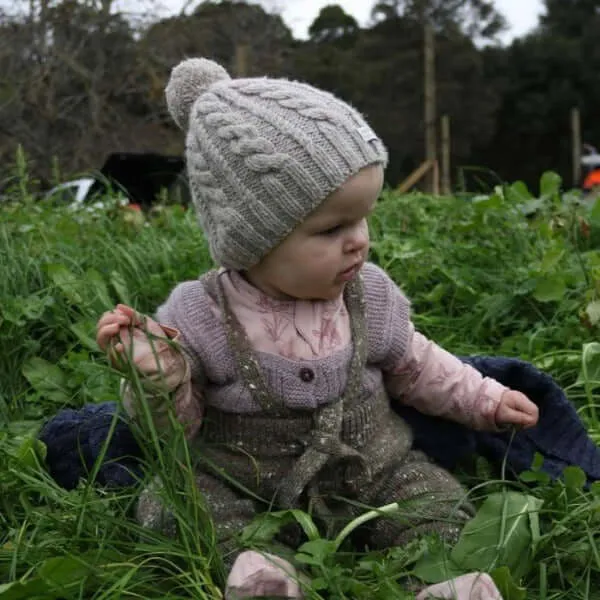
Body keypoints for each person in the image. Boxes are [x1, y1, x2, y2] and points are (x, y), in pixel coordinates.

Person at [96, 57, 539, 600]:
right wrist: (158, 379)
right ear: (252, 240)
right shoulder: (200, 314)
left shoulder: (367, 294)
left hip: (372, 469)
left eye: (362, 217)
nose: (358, 240)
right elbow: (174, 432)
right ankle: (264, 575)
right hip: (243, 481)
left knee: (433, 497)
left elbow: (415, 363)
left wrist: (485, 399)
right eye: (332, 228)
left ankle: (437, 578)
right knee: (176, 502)